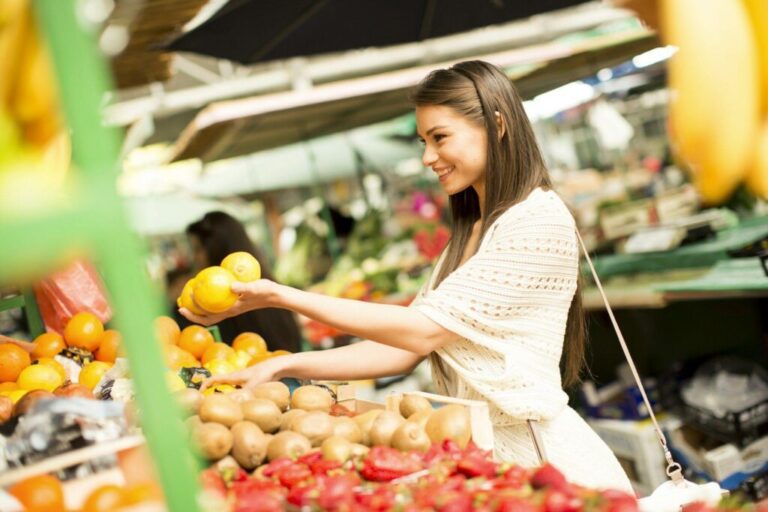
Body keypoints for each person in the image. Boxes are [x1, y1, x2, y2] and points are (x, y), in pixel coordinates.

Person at [182, 61, 633, 493]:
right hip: (486, 460)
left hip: (543, 464)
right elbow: (398, 351)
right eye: (422, 141)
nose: (428, 157)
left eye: (439, 137)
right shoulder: (473, 231)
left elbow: (420, 332)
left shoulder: (537, 221)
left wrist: (283, 297)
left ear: (497, 126)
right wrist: (285, 365)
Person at [185, 211, 302, 353]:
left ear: (215, 248)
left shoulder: (225, 304)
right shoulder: (268, 286)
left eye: (198, 249)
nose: (196, 258)